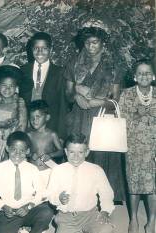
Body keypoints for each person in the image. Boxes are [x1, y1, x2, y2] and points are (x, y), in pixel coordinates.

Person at [64, 22, 126, 202]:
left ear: (103, 43)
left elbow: (115, 100)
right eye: (87, 43)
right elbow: (67, 95)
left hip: (102, 118)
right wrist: (76, 95)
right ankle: (78, 198)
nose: (90, 47)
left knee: (101, 156)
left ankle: (104, 201)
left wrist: (92, 102)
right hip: (78, 118)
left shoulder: (113, 65)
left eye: (95, 42)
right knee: (79, 154)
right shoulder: (74, 63)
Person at [46, 133, 115, 233]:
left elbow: (106, 193)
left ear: (87, 152)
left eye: (81, 152)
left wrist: (105, 211)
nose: (76, 157)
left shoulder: (96, 170)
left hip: (90, 215)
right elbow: (50, 194)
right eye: (72, 152)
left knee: (106, 229)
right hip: (67, 217)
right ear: (66, 151)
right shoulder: (58, 170)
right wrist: (58, 198)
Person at [0, 131, 54, 233]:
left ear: (27, 151)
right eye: (14, 149)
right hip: (8, 213)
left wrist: (29, 206)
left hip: (28, 210)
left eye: (22, 150)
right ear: (7, 148)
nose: (17, 154)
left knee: (46, 211)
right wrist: (3, 206)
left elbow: (41, 192)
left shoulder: (32, 169)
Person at [118, 59, 156, 233]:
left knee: (153, 185)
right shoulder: (126, 94)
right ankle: (133, 219)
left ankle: (152, 221)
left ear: (153, 76)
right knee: (133, 184)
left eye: (148, 72)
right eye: (140, 73)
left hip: (154, 147)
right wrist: (139, 117)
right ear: (134, 76)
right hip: (133, 147)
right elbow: (121, 122)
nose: (144, 76)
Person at [21, 32, 67, 138]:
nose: (40, 52)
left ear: (50, 50)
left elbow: (62, 106)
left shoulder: (60, 73)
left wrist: (60, 135)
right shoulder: (23, 70)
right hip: (26, 127)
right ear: (31, 50)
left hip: (50, 129)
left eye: (44, 48)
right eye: (36, 48)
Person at [0, 65, 27, 175]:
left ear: (16, 88)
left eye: (11, 86)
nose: (7, 89)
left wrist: (10, 151)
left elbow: (21, 129)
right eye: (4, 85)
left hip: (12, 147)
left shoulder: (20, 105)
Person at [27, 100, 63, 172]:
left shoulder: (52, 134)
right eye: (32, 117)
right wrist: (30, 154)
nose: (34, 120)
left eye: (38, 117)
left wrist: (50, 155)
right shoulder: (29, 135)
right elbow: (25, 151)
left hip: (48, 170)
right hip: (32, 170)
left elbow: (61, 152)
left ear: (47, 117)